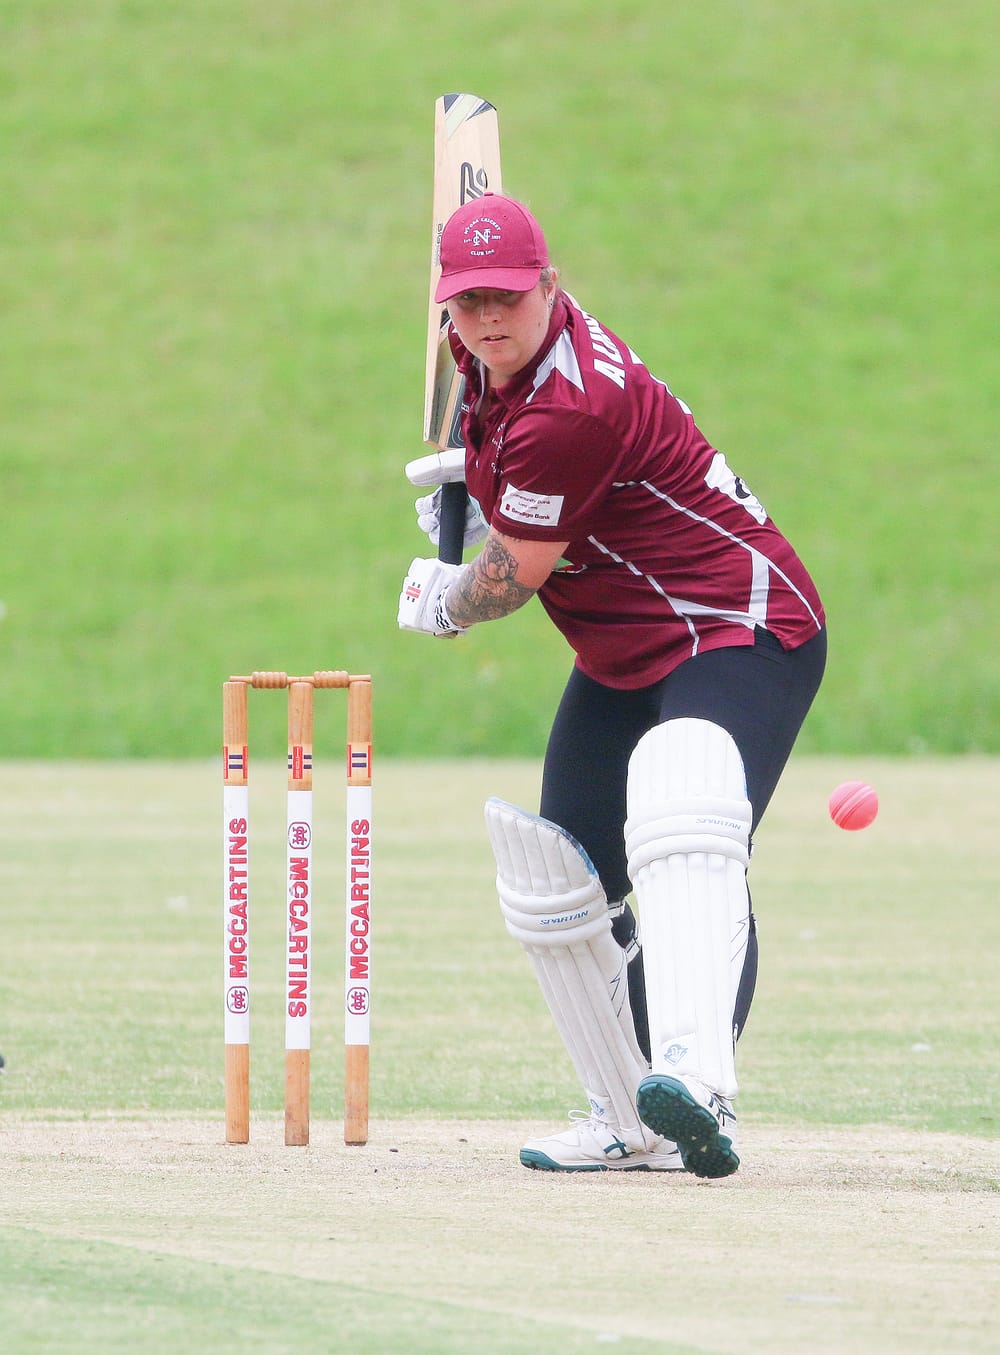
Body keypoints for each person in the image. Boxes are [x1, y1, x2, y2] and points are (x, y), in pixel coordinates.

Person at [398, 193, 826, 1177]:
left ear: (551, 284)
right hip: (625, 648)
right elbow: (508, 476)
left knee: (686, 814)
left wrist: (450, 591)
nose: (488, 321)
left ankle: (693, 1081)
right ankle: (626, 1111)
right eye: (466, 305)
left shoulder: (573, 406)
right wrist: (474, 489)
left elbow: (513, 578)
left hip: (738, 627)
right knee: (563, 880)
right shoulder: (487, 358)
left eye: (508, 297)